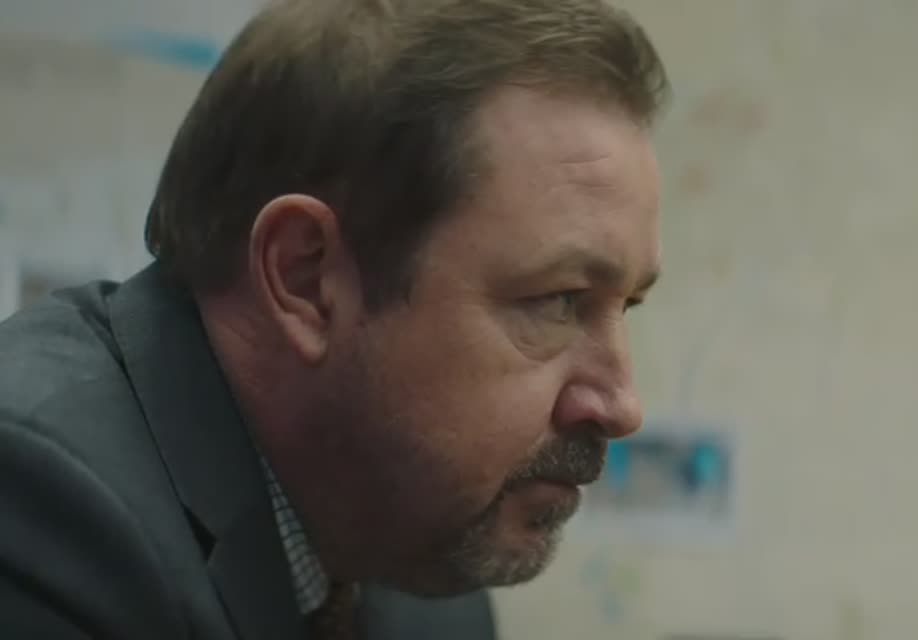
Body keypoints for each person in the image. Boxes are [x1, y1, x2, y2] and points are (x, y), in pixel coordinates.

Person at [0, 0, 669, 637]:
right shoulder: (40, 511)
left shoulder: (421, 573)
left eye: (629, 305)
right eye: (559, 300)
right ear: (306, 277)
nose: (621, 405)